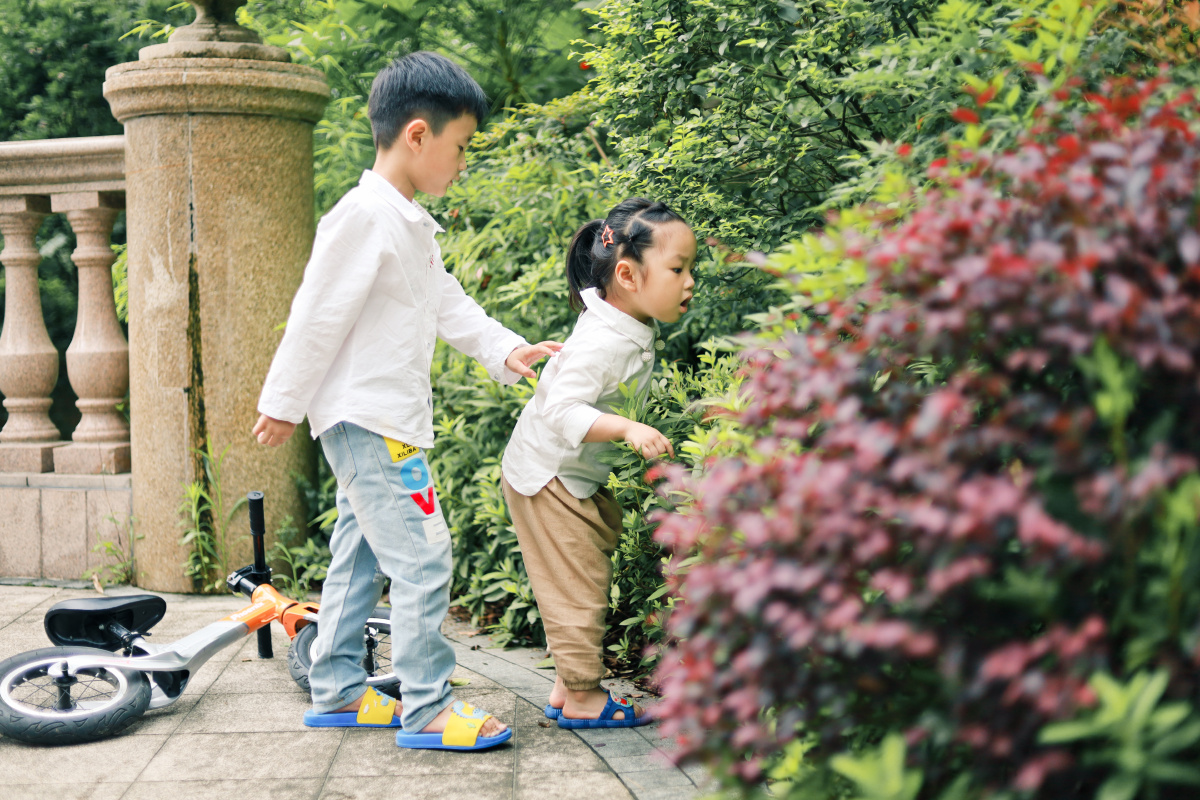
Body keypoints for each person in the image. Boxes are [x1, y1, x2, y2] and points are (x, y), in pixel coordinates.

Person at [252, 51, 559, 751]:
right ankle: (425, 709)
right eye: (460, 147)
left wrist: (504, 348)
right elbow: (316, 315)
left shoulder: (408, 222)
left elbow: (446, 302)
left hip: (386, 419)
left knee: (360, 553)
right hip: (370, 420)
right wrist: (283, 400)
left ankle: (336, 689)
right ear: (417, 135)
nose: (461, 162)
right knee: (423, 557)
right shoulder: (363, 216)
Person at [500, 198, 696, 728]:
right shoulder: (603, 340)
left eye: (690, 268)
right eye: (678, 269)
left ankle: (568, 687)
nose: (689, 281)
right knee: (577, 582)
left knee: (590, 562)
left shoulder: (623, 324)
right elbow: (562, 409)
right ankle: (585, 698)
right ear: (628, 275)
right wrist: (629, 428)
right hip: (547, 475)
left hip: (569, 474)